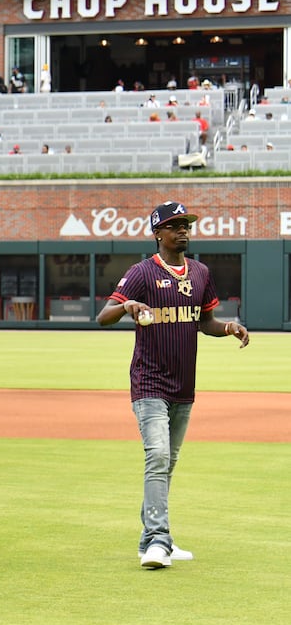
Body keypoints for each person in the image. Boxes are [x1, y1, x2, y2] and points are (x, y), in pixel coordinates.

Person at [97, 201, 249, 569]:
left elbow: (204, 321)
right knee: (158, 456)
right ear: (158, 233)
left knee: (168, 462)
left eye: (186, 224)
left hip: (184, 384)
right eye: (175, 225)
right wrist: (129, 305)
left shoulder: (200, 273)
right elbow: (104, 317)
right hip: (149, 382)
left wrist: (229, 327)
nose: (183, 230)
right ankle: (160, 541)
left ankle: (150, 538)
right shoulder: (141, 273)